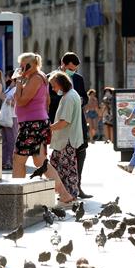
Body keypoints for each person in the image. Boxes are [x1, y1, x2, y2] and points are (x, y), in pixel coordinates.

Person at [12, 52, 73, 202]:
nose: (20, 68)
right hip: (36, 122)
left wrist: (18, 85)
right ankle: (64, 195)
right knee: (40, 161)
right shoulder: (38, 78)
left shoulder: (35, 78)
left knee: (18, 160)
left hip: (32, 124)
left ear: (31, 65)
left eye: (23, 65)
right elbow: (46, 101)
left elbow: (21, 101)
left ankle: (15, 196)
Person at [48, 52, 91, 198]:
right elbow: (49, 99)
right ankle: (65, 189)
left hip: (74, 121)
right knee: (59, 161)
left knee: (78, 154)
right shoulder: (52, 78)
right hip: (59, 121)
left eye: (75, 69)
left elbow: (85, 97)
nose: (73, 72)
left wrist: (79, 101)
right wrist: (61, 96)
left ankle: (75, 188)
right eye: (70, 69)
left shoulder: (77, 80)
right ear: (63, 64)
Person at [0, 70, 19, 171]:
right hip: (6, 116)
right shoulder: (9, 88)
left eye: (7, 77)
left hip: (13, 117)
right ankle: (3, 161)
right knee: (4, 140)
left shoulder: (17, 89)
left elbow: (16, 104)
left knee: (11, 140)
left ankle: (11, 162)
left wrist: (5, 99)